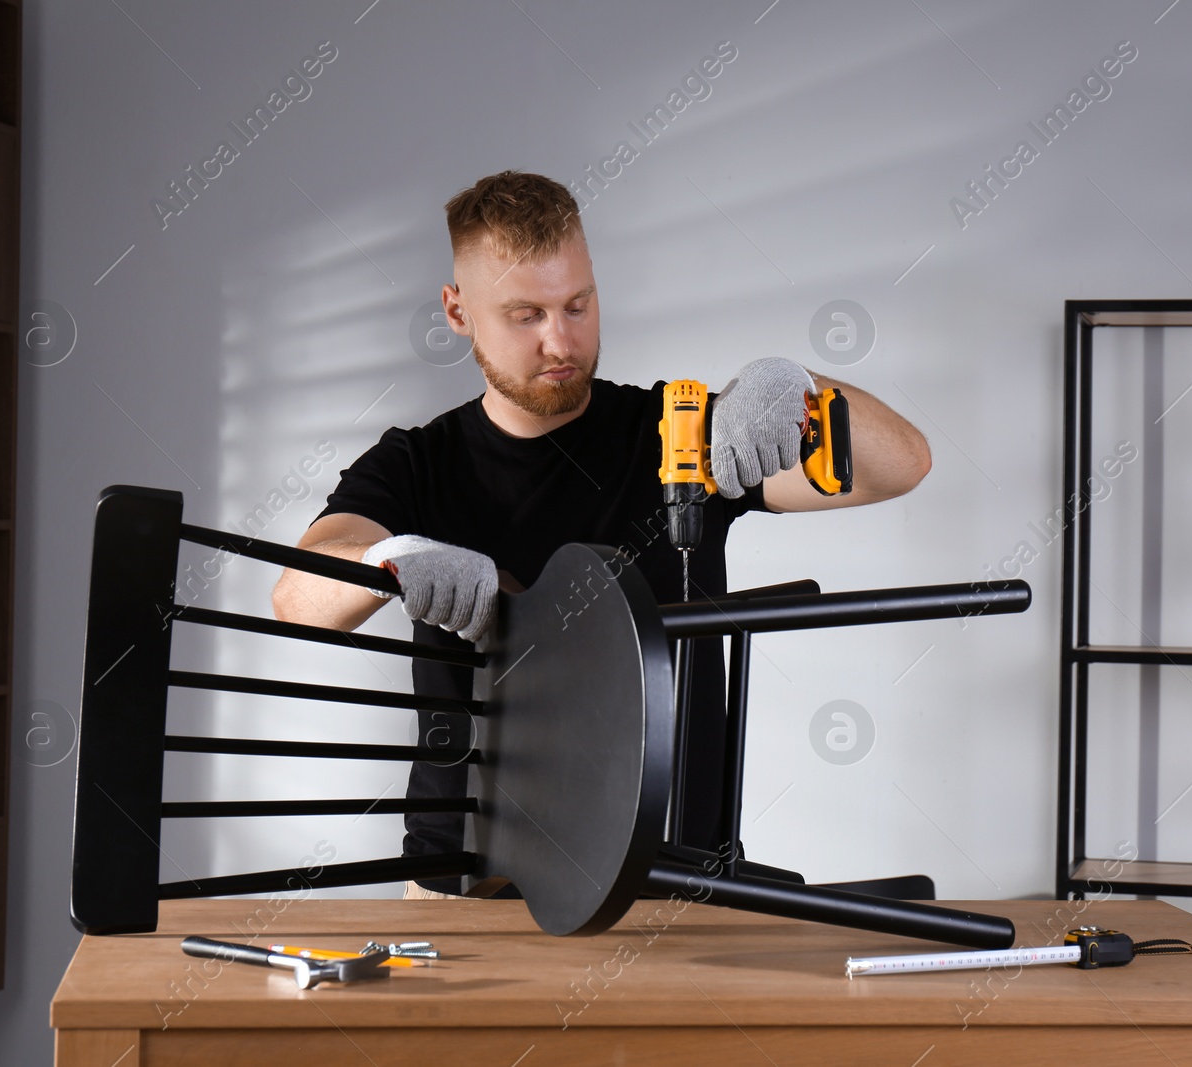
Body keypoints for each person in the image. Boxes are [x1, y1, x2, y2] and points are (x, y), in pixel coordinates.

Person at [272, 170, 931, 898]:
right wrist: (386, 559)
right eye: (525, 314)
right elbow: (298, 597)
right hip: (467, 887)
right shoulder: (418, 465)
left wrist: (801, 388)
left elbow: (901, 463)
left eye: (577, 305)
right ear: (458, 312)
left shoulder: (680, 435)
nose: (561, 340)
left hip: (681, 878)